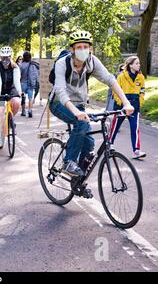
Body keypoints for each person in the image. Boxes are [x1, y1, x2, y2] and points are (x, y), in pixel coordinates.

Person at [49, 30, 134, 190]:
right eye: (78, 47)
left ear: (90, 49)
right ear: (72, 49)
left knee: (89, 144)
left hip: (79, 104)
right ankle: (69, 163)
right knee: (80, 124)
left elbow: (110, 79)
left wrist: (126, 102)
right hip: (59, 103)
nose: (82, 50)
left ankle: (77, 180)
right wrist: (76, 112)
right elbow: (60, 91)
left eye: (85, 46)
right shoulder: (63, 63)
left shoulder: (91, 61)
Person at [108, 56, 146, 159]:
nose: (139, 65)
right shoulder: (121, 76)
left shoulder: (141, 77)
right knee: (115, 126)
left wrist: (139, 102)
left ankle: (136, 151)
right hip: (122, 106)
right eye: (137, 63)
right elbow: (115, 91)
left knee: (135, 128)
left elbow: (142, 91)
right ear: (130, 65)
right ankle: (109, 144)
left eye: (139, 63)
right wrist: (122, 103)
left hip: (135, 106)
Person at [0, 46, 22, 146]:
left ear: (11, 56)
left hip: (11, 88)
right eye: (3, 57)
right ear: (1, 57)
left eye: (7, 57)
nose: (5, 59)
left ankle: (10, 119)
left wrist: (20, 92)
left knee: (17, 102)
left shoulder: (15, 66)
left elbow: (17, 81)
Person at [19, 51, 39, 118]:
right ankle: (30, 110)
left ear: (23, 57)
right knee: (30, 98)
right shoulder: (33, 64)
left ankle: (23, 111)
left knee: (23, 97)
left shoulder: (21, 65)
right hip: (31, 83)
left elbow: (19, 75)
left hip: (23, 83)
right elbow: (36, 74)